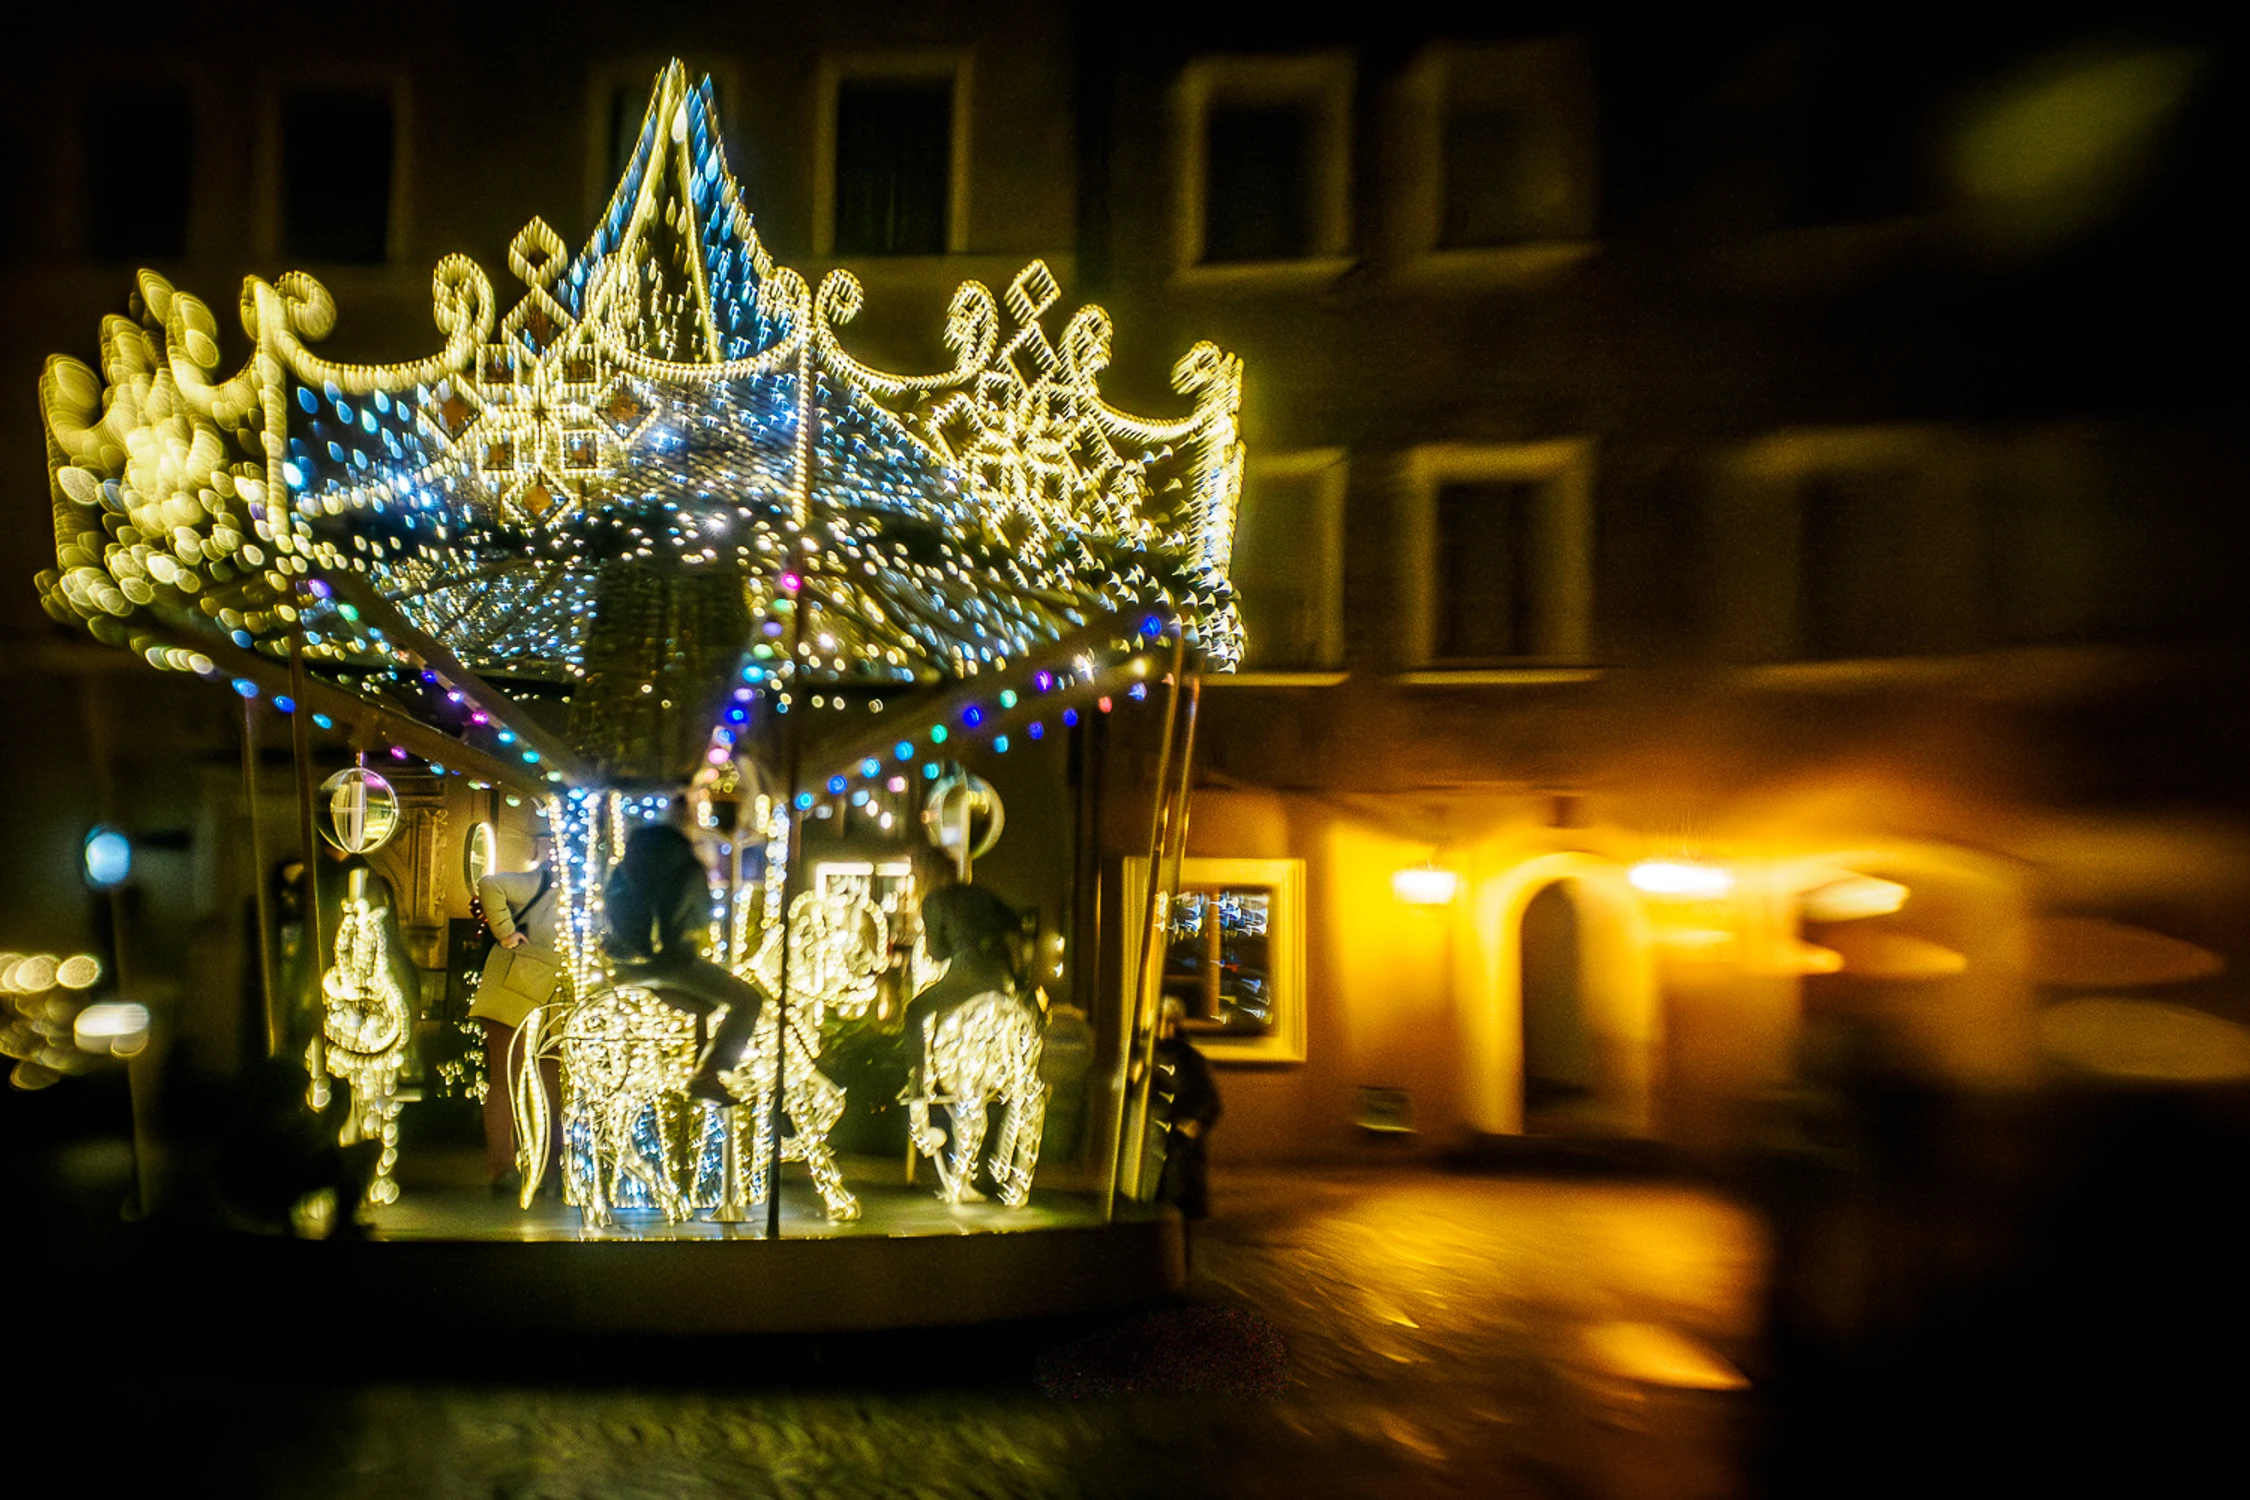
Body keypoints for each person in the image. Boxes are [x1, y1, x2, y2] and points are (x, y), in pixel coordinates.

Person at [602, 823, 768, 1105]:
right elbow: (692, 918)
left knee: (708, 1005)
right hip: (667, 964)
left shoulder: (623, 869)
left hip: (624, 968)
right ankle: (708, 1074)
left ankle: (702, 1071)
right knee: (747, 1000)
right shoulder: (685, 868)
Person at [473, 840, 564, 1197]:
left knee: (538, 1082)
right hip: (519, 988)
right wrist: (507, 933)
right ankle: (505, 1165)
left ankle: (535, 1165)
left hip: (542, 992)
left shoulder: (553, 885)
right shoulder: (541, 883)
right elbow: (490, 884)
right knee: (509, 1080)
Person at [1155, 998, 1223, 1230]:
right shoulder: (1143, 1053)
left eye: (1171, 1022)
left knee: (1177, 1208)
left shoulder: (1190, 1059)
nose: (1166, 1028)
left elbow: (1211, 1101)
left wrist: (1197, 1122)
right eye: (1161, 1021)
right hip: (1152, 1145)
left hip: (1179, 1147)